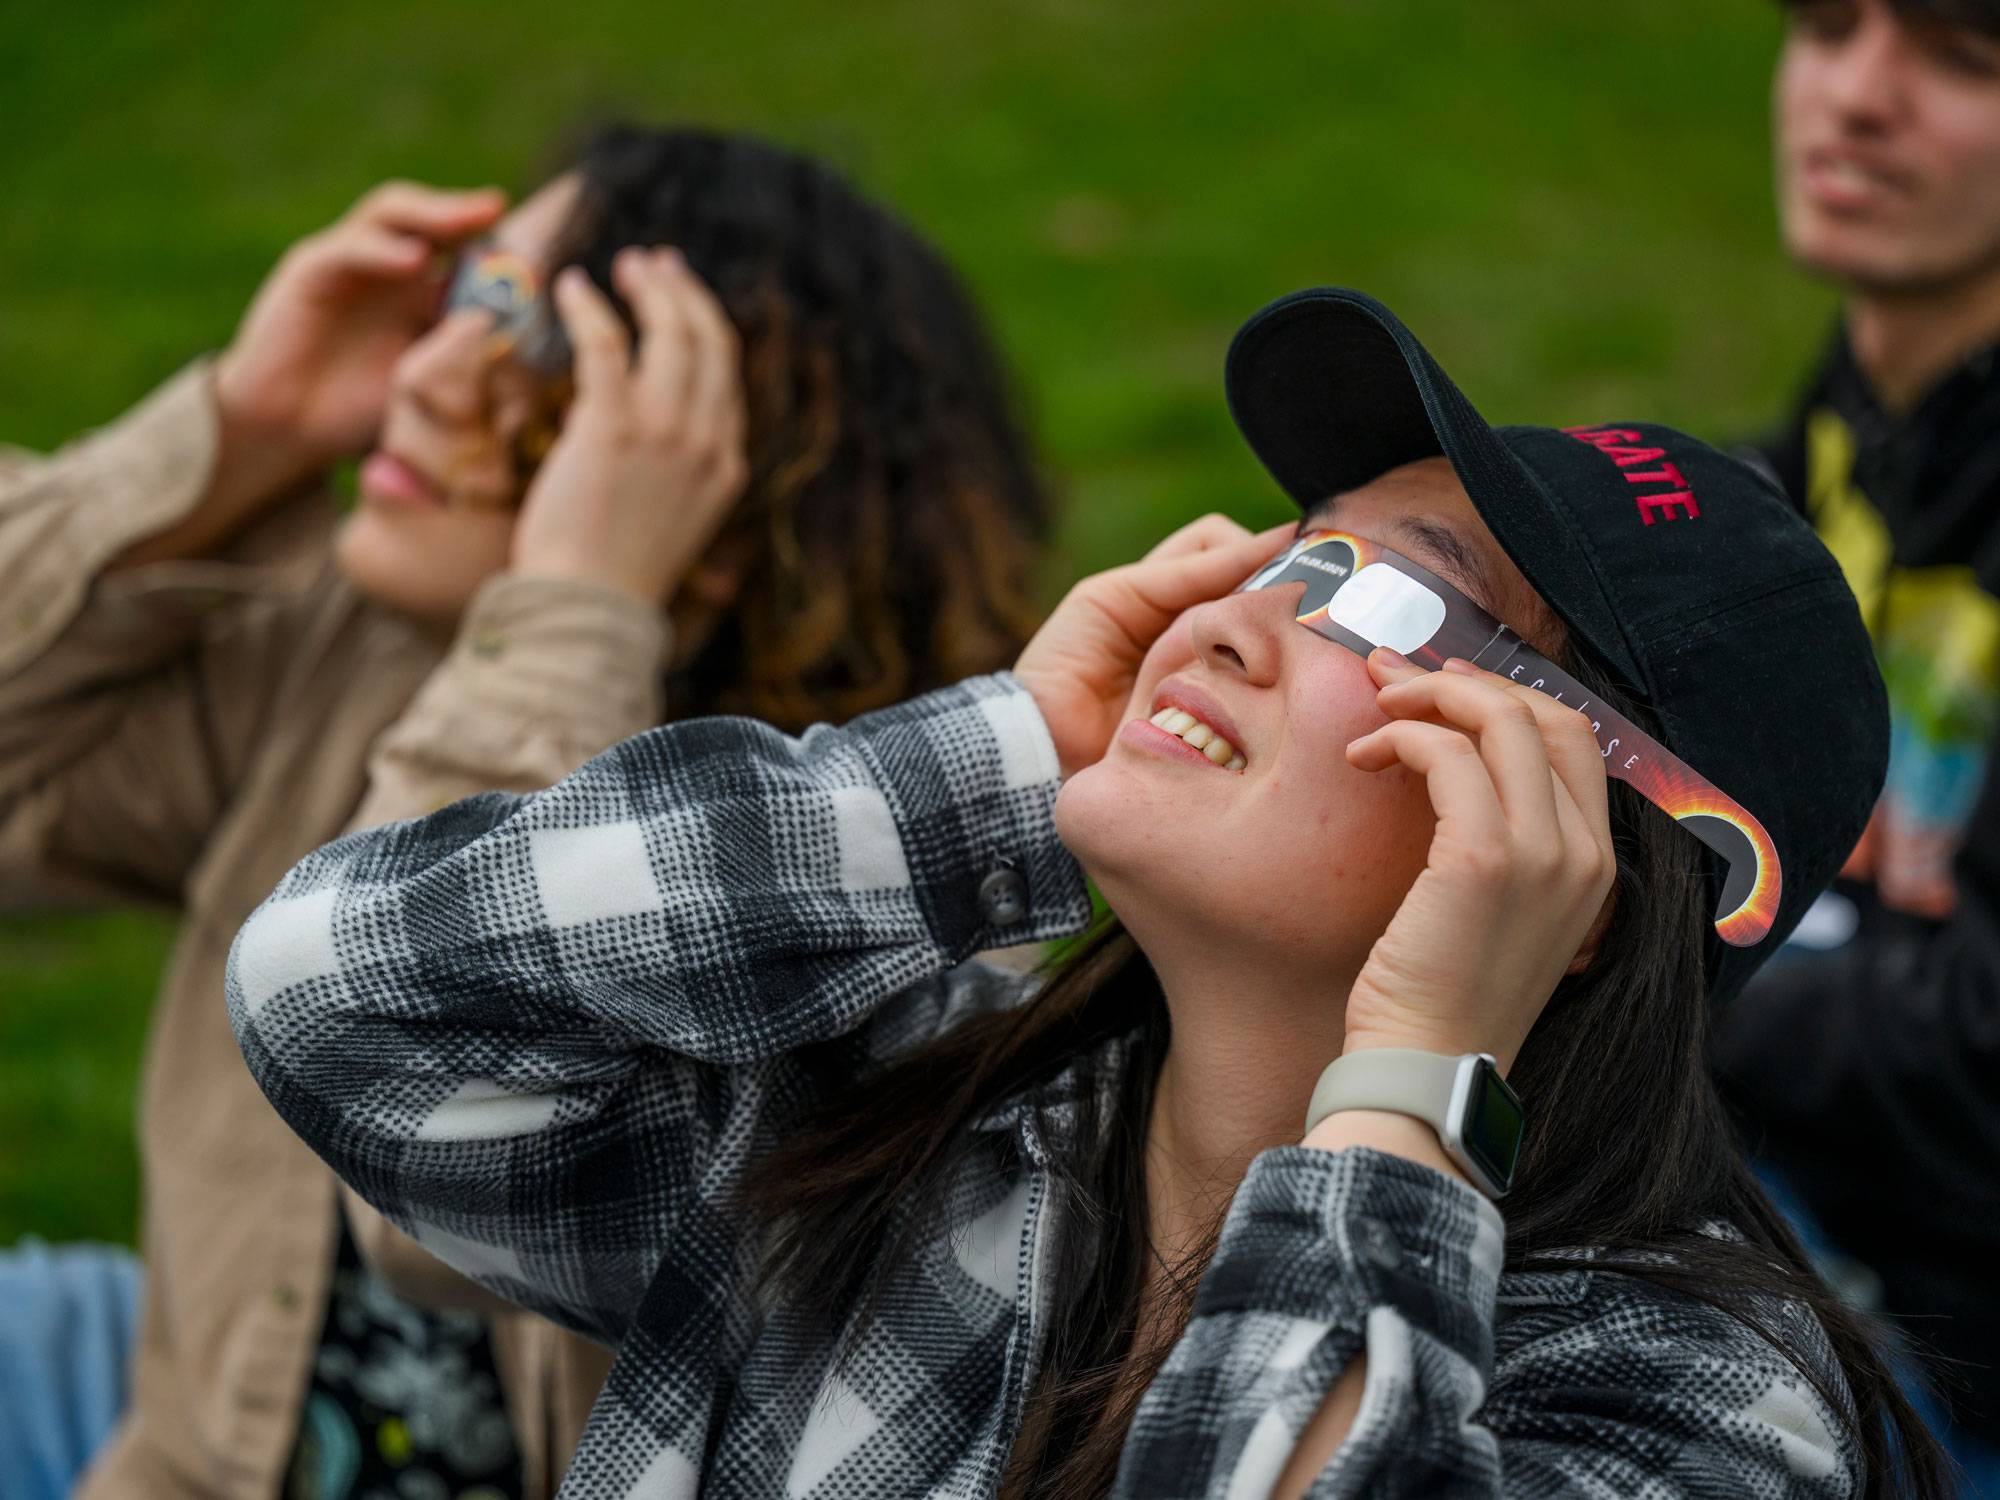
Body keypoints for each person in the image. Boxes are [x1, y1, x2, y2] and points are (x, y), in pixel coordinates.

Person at [227, 287, 1949, 1497]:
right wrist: (1005, 771)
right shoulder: (900, 1119)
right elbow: (339, 990)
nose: (1225, 614)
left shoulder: (1694, 1411)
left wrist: (1420, 1076)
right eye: (1299, 550)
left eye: (1395, 605)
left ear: (1585, 871)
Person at [0, 121, 1051, 1500]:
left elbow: (422, 1187)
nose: (425, 377)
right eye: (471, 298)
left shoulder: (883, 890)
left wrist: (577, 609)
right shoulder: (357, 659)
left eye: (541, 341)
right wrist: (243, 427)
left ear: (728, 488)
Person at [1713, 0, 2000, 1466]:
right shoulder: (1852, 424)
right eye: (1828, 25)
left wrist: (1647, 966)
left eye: (1965, 56)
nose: (1858, 96)